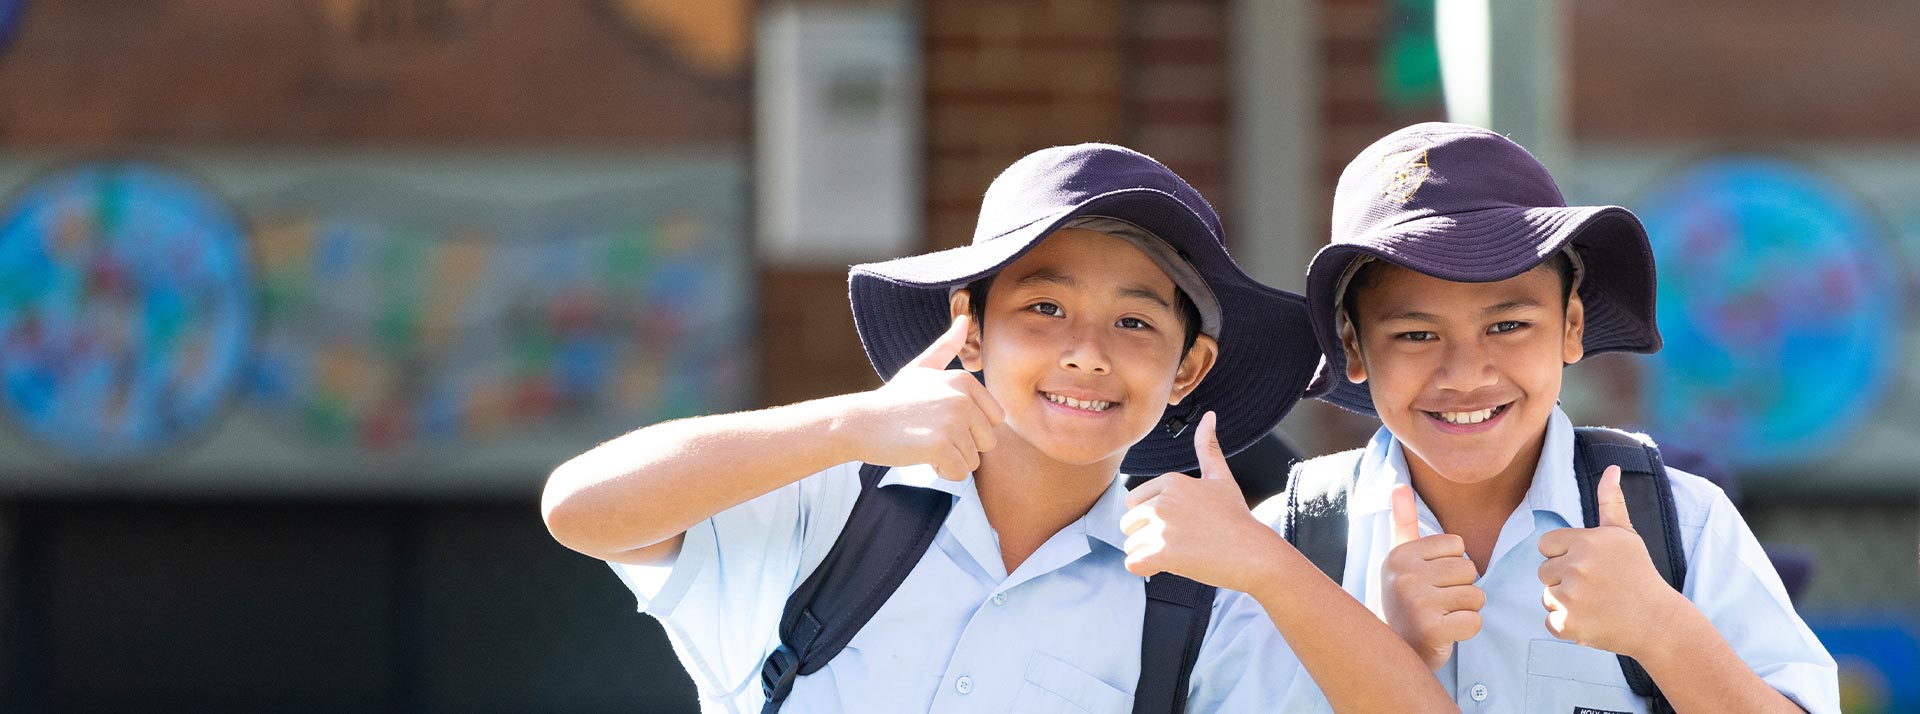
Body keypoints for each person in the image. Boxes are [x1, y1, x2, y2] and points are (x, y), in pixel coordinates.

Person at [541, 143, 1452, 712]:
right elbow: (578, 509)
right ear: (968, 331)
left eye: (1135, 322)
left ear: (1190, 369)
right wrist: (849, 424)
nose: (1088, 353)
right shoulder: (826, 508)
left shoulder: (1204, 597)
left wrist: (1274, 569)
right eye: (1044, 308)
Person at [1261, 122, 1839, 713]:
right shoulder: (1280, 552)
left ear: (1571, 328)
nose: (1465, 374)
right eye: (1415, 333)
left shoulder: (1685, 523)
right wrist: (1378, 658)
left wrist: (1662, 630)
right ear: (1354, 349)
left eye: (1508, 326)